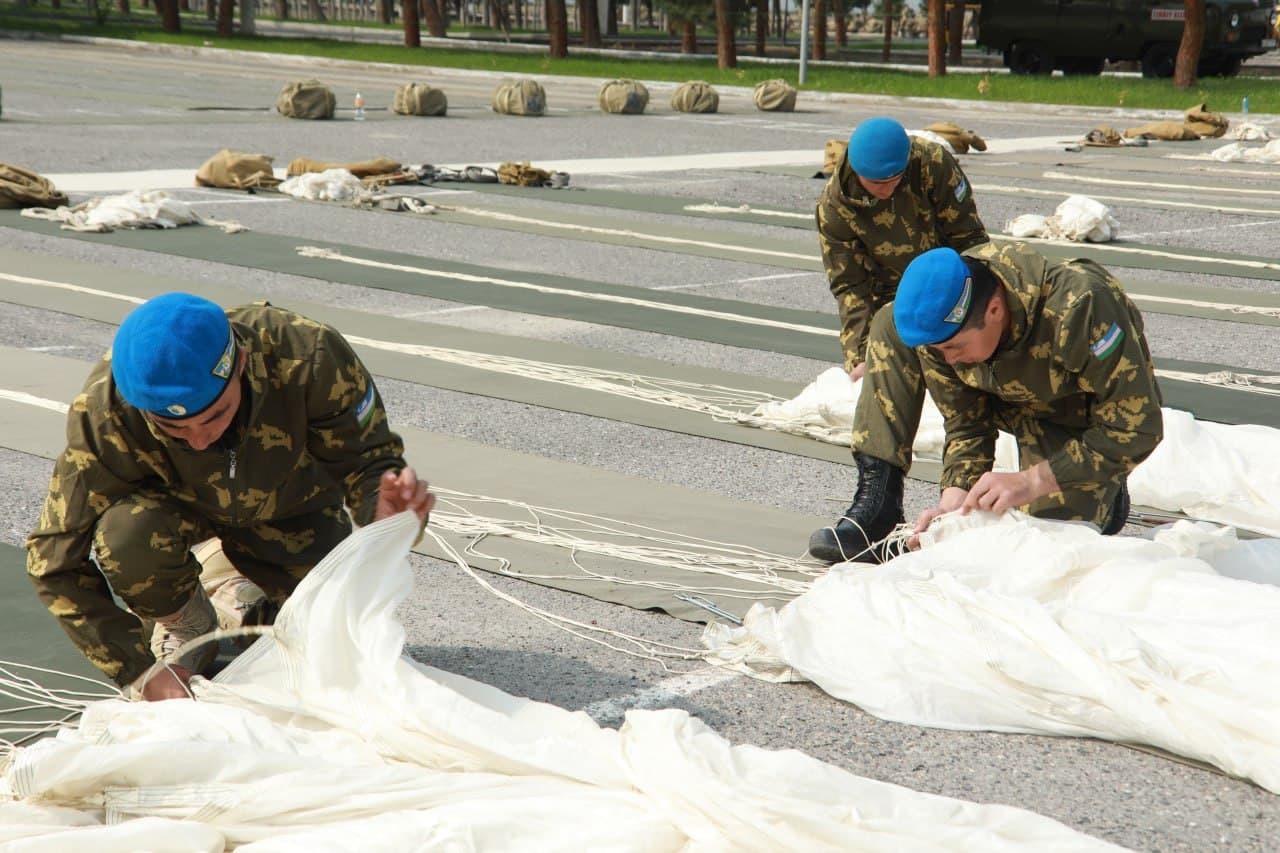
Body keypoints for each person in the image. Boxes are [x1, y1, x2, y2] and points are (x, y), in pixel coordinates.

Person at [26, 293, 435, 701]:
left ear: (239, 364)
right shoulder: (106, 411)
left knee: (324, 650)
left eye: (215, 415)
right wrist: (139, 672)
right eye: (174, 429)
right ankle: (185, 619)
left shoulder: (308, 357)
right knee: (125, 536)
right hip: (173, 511)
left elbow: (368, 460)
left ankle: (235, 600)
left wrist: (384, 516)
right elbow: (53, 559)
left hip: (290, 507)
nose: (200, 440)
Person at [819, 242, 1163, 562]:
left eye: (955, 349)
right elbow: (966, 422)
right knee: (890, 323)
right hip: (1000, 396)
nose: (949, 361)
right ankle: (878, 506)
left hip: (1067, 417)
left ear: (996, 310)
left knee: (1048, 543)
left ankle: (1108, 492)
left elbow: (1137, 427)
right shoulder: (946, 324)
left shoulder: (1081, 306)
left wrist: (1033, 481)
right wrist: (954, 503)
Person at [809, 116, 989, 562]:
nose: (887, 189)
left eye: (894, 179)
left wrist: (975, 316)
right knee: (883, 350)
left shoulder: (931, 165)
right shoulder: (836, 207)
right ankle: (878, 505)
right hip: (897, 304)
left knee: (978, 390)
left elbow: (972, 242)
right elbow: (851, 287)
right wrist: (858, 352)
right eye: (877, 182)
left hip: (956, 290)